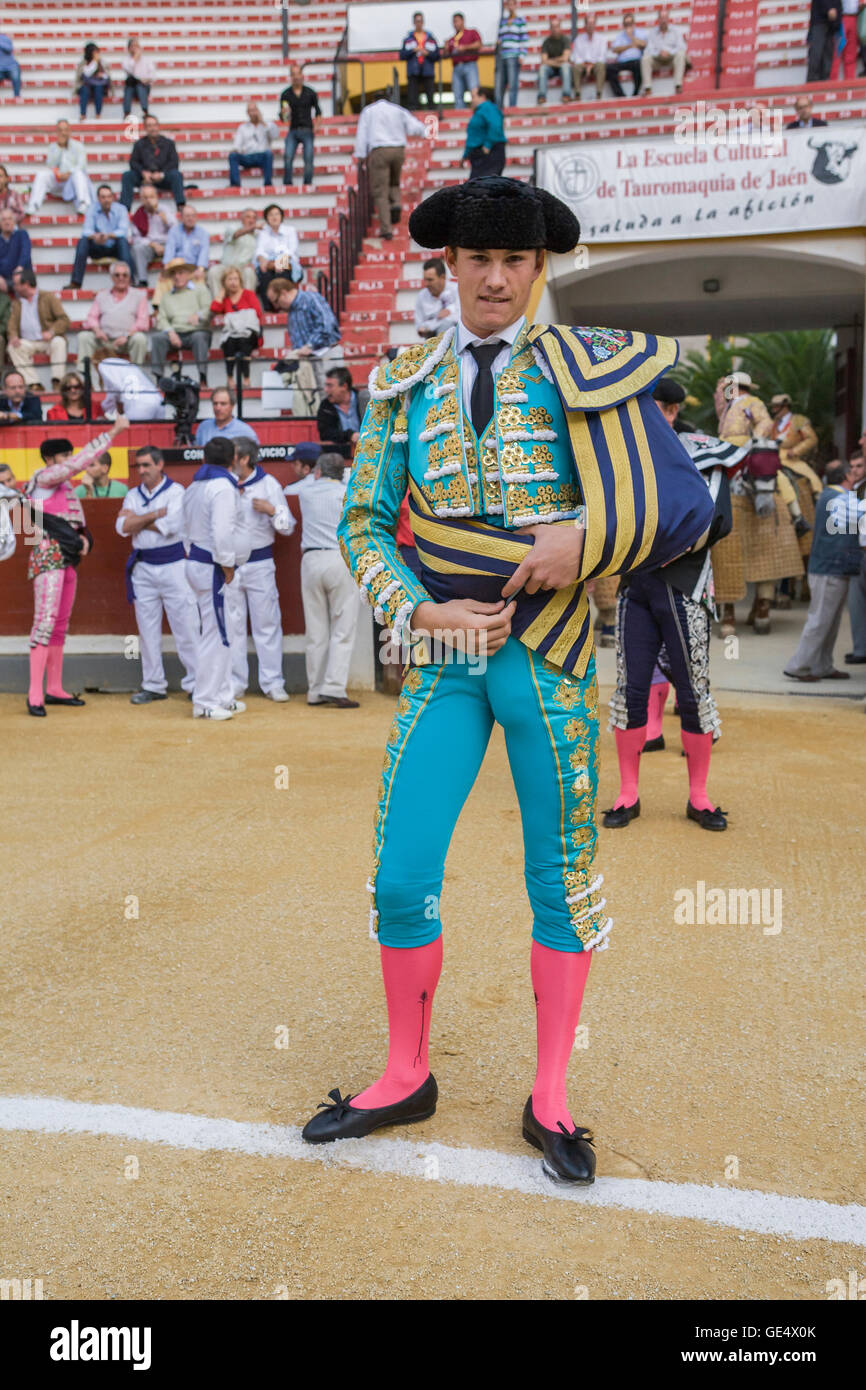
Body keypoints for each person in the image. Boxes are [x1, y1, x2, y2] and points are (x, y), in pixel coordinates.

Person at [302, 177, 713, 1178]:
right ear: (447, 266)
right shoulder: (402, 377)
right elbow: (362, 520)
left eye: (514, 261)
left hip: (551, 646)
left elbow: (683, 503)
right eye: (477, 260)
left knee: (559, 881)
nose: (495, 278)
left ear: (539, 266)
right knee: (401, 872)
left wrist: (583, 538)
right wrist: (412, 608)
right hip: (443, 650)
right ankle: (405, 1072)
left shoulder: (587, 369)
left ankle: (549, 1093)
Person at [605, 378, 735, 833]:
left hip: (685, 583)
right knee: (630, 689)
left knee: (694, 691)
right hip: (637, 586)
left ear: (674, 411)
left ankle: (698, 796)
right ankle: (628, 794)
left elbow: (714, 520)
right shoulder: (625, 452)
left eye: (657, 407)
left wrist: (646, 548)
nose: (648, 414)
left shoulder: (706, 453)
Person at [23, 417, 129, 716]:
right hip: (47, 555)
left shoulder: (65, 489)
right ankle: (34, 694)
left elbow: (76, 525)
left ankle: (54, 688)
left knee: (59, 624)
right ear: (50, 460)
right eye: (64, 457)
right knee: (44, 622)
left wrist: (84, 540)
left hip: (67, 558)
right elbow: (77, 465)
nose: (69, 462)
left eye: (69, 456)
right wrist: (113, 432)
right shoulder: (42, 479)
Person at [712, 371, 803, 636]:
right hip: (724, 453)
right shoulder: (728, 408)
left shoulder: (753, 403)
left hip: (747, 451)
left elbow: (764, 424)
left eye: (729, 387)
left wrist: (755, 440)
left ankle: (797, 514)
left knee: (779, 479)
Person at [118, 444, 198, 704]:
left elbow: (171, 526)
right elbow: (122, 526)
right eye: (138, 466)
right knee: (146, 629)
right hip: (143, 568)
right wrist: (153, 515)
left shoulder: (177, 492)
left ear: (160, 465)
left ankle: (197, 682)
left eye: (146, 465)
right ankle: (153, 684)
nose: (141, 471)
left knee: (186, 626)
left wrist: (138, 520)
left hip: (175, 565)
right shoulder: (133, 494)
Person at [183, 435, 249, 719]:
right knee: (216, 632)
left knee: (224, 630)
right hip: (214, 567)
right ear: (233, 459)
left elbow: (182, 528)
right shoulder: (222, 487)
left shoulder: (195, 485)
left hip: (200, 562)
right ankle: (206, 702)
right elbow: (222, 533)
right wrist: (227, 566)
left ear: (204, 458)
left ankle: (222, 695)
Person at [225, 437, 294, 702]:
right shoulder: (224, 484)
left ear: (244, 458)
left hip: (260, 563)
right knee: (233, 625)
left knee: (267, 623)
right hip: (230, 565)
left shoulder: (269, 484)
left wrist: (272, 509)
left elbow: (287, 525)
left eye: (233, 455)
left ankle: (273, 682)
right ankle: (235, 682)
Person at [784, 460, 861, 681]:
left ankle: (822, 665)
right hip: (830, 569)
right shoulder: (842, 498)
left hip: (830, 568)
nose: (856, 472)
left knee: (829, 620)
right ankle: (799, 666)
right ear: (847, 475)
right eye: (853, 469)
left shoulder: (830, 495)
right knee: (820, 620)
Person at [297, 452, 361, 708]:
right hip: (339, 560)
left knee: (315, 629)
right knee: (343, 626)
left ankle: (314, 690)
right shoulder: (347, 493)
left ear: (318, 472)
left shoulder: (305, 492)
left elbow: (291, 486)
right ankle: (333, 687)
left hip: (311, 561)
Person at [353, 94, 426, 239]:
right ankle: (396, 204)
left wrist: (361, 154)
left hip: (379, 150)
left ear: (374, 99)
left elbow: (362, 134)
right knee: (394, 181)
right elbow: (415, 127)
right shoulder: (397, 109)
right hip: (398, 149)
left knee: (380, 191)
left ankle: (386, 229)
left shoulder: (369, 111)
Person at [267, 277, 342, 404]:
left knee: (331, 398)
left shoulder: (310, 299)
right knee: (316, 401)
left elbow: (327, 323)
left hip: (325, 355)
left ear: (284, 293)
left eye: (276, 301)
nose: (276, 306)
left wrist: (310, 345)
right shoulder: (292, 311)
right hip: (308, 361)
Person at [76, 261, 150, 366]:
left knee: (140, 339)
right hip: (104, 339)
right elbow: (91, 317)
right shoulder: (101, 295)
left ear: (129, 277)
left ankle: (136, 375)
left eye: (125, 275)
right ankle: (86, 376)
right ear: (111, 277)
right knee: (84, 336)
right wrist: (97, 331)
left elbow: (143, 322)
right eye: (117, 275)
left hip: (127, 340)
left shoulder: (139, 295)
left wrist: (126, 336)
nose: (121, 278)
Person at [151, 258, 211, 385]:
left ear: (188, 274)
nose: (177, 276)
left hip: (196, 331)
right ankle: (158, 379)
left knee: (199, 337)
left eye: (180, 273)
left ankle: (203, 377)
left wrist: (198, 315)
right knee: (157, 338)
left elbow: (209, 309)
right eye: (174, 274)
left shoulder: (200, 289)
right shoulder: (166, 296)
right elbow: (161, 318)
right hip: (175, 334)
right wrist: (171, 332)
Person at [7, 268, 70, 389]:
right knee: (13, 347)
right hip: (28, 342)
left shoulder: (48, 297)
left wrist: (52, 332)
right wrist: (13, 336)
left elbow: (64, 319)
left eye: (16, 284)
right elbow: (12, 325)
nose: (14, 287)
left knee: (59, 342)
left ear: (26, 284)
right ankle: (33, 383)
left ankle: (57, 381)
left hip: (48, 340)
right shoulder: (17, 303)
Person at [68, 185, 134, 290]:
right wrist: (96, 236)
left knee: (123, 242)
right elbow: (86, 231)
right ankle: (76, 282)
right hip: (97, 246)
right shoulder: (91, 209)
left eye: (108, 196)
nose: (106, 200)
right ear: (98, 198)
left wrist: (107, 236)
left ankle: (130, 281)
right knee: (83, 242)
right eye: (103, 197)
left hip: (115, 247)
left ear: (112, 197)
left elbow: (123, 231)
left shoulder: (121, 209)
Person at [26, 120, 92, 218]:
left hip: (72, 181)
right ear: (57, 132)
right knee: (41, 174)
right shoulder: (53, 147)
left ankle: (83, 203)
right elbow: (50, 165)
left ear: (70, 131)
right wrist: (60, 147)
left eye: (65, 130)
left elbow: (82, 165)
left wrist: (69, 173)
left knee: (78, 173)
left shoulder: (78, 146)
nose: (63, 133)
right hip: (58, 180)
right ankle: (34, 205)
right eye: (60, 130)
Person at [121, 114, 186, 210]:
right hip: (144, 178)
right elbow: (133, 162)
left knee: (176, 175)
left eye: (154, 125)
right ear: (145, 128)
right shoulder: (139, 144)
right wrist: (143, 172)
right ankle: (125, 208)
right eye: (149, 126)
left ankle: (181, 206)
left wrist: (161, 174)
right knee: (127, 176)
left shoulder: (168, 143)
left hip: (162, 178)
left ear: (158, 126)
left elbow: (174, 162)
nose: (153, 128)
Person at [210, 266, 263, 383]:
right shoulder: (226, 299)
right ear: (224, 282)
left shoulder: (248, 294)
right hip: (232, 333)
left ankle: (246, 377)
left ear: (240, 281)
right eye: (229, 279)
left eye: (235, 279)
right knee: (229, 342)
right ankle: (230, 377)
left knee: (243, 341)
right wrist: (221, 293)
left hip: (248, 332)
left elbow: (257, 313)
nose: (233, 282)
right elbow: (214, 308)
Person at [279, 64, 322, 187]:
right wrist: (284, 114)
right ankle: (288, 183)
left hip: (307, 129)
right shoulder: (285, 94)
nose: (296, 77)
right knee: (288, 156)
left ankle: (307, 183)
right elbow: (284, 119)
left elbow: (318, 112)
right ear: (291, 76)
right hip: (293, 129)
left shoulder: (310, 93)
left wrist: (317, 125)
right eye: (293, 74)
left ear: (302, 76)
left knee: (308, 158)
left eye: (298, 74)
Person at [316, 366, 370, 458]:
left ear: (344, 386)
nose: (326, 390)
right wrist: (349, 435)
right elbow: (325, 433)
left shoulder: (364, 399)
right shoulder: (325, 406)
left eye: (330, 385)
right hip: (339, 456)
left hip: (368, 452)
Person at [254, 203, 300, 309]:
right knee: (264, 274)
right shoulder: (263, 232)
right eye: (271, 215)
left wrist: (278, 263)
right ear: (266, 218)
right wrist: (262, 260)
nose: (274, 217)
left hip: (286, 261)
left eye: (277, 214)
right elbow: (260, 251)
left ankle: (284, 306)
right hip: (269, 263)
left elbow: (291, 251)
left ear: (281, 216)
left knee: (282, 273)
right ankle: (269, 307)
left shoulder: (290, 230)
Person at [129, 184, 176, 286]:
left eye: (151, 197)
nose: (148, 200)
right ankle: (142, 280)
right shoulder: (138, 214)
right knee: (137, 248)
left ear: (156, 197)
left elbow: (176, 231)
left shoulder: (165, 210)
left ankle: (174, 281)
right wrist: (154, 245)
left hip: (167, 244)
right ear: (141, 199)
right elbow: (136, 238)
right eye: (145, 198)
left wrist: (164, 219)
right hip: (150, 245)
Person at [208, 208, 260, 298]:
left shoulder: (258, 235)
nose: (251, 220)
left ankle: (247, 305)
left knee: (249, 272)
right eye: (248, 217)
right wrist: (252, 228)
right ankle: (218, 304)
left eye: (254, 218)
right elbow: (235, 235)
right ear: (242, 219)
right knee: (214, 271)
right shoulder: (232, 228)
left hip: (243, 268)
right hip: (226, 267)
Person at [96, 355, 164, 422]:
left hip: (139, 406)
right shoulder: (125, 363)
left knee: (136, 432)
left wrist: (104, 408)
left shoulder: (104, 365)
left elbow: (114, 389)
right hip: (157, 399)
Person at [229, 102, 279, 188]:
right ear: (247, 113)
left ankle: (268, 184)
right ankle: (235, 184)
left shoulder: (268, 125)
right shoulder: (242, 127)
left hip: (262, 156)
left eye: (254, 110)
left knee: (269, 154)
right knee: (233, 156)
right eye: (250, 111)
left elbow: (275, 135)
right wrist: (236, 150)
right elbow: (237, 145)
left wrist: (262, 122)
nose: (253, 113)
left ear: (258, 111)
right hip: (248, 157)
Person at [640, 10, 689, 95]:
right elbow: (648, 50)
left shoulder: (676, 31)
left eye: (665, 18)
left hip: (672, 58)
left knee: (680, 55)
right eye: (661, 18)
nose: (663, 20)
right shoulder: (652, 32)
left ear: (668, 19)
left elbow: (682, 47)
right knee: (645, 59)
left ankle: (678, 85)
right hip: (657, 59)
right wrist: (659, 53)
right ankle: (647, 88)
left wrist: (669, 52)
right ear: (658, 19)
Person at [462, 89, 507, 180]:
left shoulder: (487, 107)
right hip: (480, 154)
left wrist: (487, 145)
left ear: (482, 96)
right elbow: (473, 136)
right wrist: (466, 154)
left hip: (489, 153)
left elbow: (495, 126)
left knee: (482, 187)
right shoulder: (481, 110)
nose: (472, 100)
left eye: (473, 97)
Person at [400, 12, 440, 111]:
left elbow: (437, 55)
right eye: (417, 21)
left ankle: (432, 112)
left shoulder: (431, 38)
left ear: (423, 22)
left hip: (428, 70)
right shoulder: (408, 39)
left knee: (430, 93)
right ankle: (413, 112)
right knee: (412, 95)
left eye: (420, 21)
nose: (419, 23)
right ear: (414, 22)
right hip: (413, 70)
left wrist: (427, 53)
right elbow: (402, 55)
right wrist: (413, 50)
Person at [195, 385, 259, 446]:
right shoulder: (203, 427)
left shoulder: (245, 431)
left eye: (223, 404)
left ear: (232, 406)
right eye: (215, 403)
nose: (218, 408)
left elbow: (256, 456)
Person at [163, 204, 209, 283]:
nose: (190, 218)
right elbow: (169, 251)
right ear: (181, 218)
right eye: (187, 216)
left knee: (200, 276)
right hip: (176, 268)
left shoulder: (203, 233)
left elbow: (204, 254)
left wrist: (200, 270)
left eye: (193, 216)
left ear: (196, 217)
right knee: (163, 279)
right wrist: (166, 269)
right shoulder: (174, 231)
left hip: (193, 270)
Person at [414, 257, 459, 338]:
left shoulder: (457, 290)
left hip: (456, 338)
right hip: (432, 339)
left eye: (430, 280)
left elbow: (461, 319)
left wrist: (431, 325)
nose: (426, 284)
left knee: (447, 325)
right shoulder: (422, 296)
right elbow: (419, 329)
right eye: (425, 280)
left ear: (442, 277)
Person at [606, 11, 648, 97]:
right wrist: (630, 46)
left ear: (633, 23)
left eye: (629, 23)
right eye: (626, 24)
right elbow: (615, 49)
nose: (628, 25)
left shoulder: (640, 33)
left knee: (639, 65)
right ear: (623, 24)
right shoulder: (620, 36)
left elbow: (643, 44)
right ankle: (620, 95)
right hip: (622, 61)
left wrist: (631, 37)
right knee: (609, 68)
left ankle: (635, 93)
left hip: (635, 61)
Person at [445, 13, 483, 108]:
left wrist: (465, 47)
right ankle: (459, 115)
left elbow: (478, 44)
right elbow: (446, 56)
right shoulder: (452, 39)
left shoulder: (471, 32)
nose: (455, 24)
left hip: (470, 65)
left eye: (457, 21)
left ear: (463, 21)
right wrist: (445, 48)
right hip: (457, 67)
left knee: (474, 91)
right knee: (457, 94)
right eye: (454, 22)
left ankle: (478, 112)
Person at [496, 1, 529, 107]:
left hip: (513, 56)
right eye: (508, 4)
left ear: (515, 5)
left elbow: (524, 39)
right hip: (502, 56)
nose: (510, 7)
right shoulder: (503, 21)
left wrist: (522, 55)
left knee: (512, 84)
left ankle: (512, 107)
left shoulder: (520, 20)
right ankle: (499, 108)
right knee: (500, 85)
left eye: (512, 4)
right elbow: (500, 37)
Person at [537, 17, 573, 104]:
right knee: (542, 68)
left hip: (561, 67)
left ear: (560, 27)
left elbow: (565, 58)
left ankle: (566, 95)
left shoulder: (565, 39)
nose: (555, 29)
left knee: (566, 66)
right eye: (553, 26)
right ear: (550, 28)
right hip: (551, 69)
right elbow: (543, 61)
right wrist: (558, 61)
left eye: (556, 26)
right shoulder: (546, 42)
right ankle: (542, 96)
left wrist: (551, 61)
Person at [73, 43, 112, 119]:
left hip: (99, 85)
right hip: (86, 85)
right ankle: (83, 114)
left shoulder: (102, 62)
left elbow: (107, 75)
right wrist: (94, 62)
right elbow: (85, 74)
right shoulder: (83, 62)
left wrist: (101, 75)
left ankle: (98, 113)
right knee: (84, 90)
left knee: (98, 88)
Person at [807, 0, 841, 81]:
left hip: (831, 24)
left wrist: (837, 21)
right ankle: (812, 82)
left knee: (827, 56)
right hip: (819, 22)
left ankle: (824, 81)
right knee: (816, 54)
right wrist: (829, 9)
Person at [0, 206, 31, 291]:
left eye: (9, 219)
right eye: (4, 219)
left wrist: (19, 269)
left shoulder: (22, 234)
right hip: (3, 279)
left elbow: (26, 254)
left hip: (22, 276)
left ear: (14, 221)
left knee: (21, 280)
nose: (7, 222)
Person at [121, 37, 154, 117]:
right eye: (133, 46)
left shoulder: (147, 60)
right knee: (129, 87)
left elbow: (153, 75)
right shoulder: (126, 60)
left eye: (137, 46)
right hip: (132, 85)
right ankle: (127, 112)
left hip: (144, 85)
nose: (135, 48)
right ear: (128, 48)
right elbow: (128, 70)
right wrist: (135, 58)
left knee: (140, 86)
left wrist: (145, 80)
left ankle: (145, 111)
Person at [829, 0, 861, 79]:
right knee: (837, 50)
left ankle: (849, 80)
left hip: (855, 17)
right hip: (842, 18)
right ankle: (833, 80)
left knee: (851, 51)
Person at [0, 30, 21, 99]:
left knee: (16, 76)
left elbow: (9, 49)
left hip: (11, 66)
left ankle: (17, 96)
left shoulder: (4, 38)